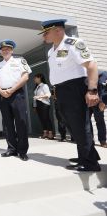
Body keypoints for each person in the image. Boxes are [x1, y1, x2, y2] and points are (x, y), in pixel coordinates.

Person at [40, 19, 101, 171]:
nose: (44, 36)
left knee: (81, 125)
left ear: (58, 30)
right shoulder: (51, 51)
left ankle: (90, 163)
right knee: (71, 125)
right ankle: (86, 155)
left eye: (46, 33)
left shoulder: (73, 43)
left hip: (75, 88)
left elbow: (91, 65)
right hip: (61, 91)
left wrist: (92, 90)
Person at [0, 40, 32, 161]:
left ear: (12, 50)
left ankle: (22, 151)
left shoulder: (20, 61)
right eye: (3, 49)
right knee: (7, 124)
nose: (5, 51)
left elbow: (25, 76)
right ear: (1, 52)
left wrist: (12, 89)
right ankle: (11, 149)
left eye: (8, 49)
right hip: (3, 95)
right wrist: (0, 91)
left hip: (16, 94)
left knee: (21, 122)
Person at [89, 71, 107, 148]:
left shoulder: (104, 74)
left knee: (100, 121)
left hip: (98, 102)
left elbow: (104, 89)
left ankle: (103, 141)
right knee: (87, 122)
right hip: (87, 101)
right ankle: (90, 140)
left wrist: (103, 102)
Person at [33, 73, 54, 140]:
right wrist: (34, 106)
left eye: (35, 77)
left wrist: (39, 96)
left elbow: (48, 94)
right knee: (41, 119)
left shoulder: (44, 86)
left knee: (46, 118)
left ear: (39, 78)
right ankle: (45, 133)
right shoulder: (36, 87)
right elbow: (34, 97)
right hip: (38, 104)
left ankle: (50, 134)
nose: (34, 79)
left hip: (44, 103)